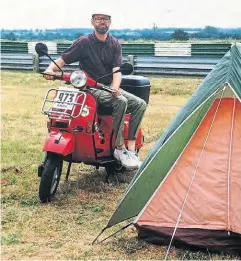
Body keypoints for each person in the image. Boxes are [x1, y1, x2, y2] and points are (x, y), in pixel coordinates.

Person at [43, 12, 147, 169]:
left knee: (139, 104)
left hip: (106, 87)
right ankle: (119, 148)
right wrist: (50, 69)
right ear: (92, 22)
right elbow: (63, 59)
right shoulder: (84, 42)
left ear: (110, 22)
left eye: (105, 19)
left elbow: (117, 70)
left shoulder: (114, 44)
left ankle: (130, 149)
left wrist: (115, 87)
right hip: (88, 88)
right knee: (120, 101)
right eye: (98, 19)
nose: (102, 22)